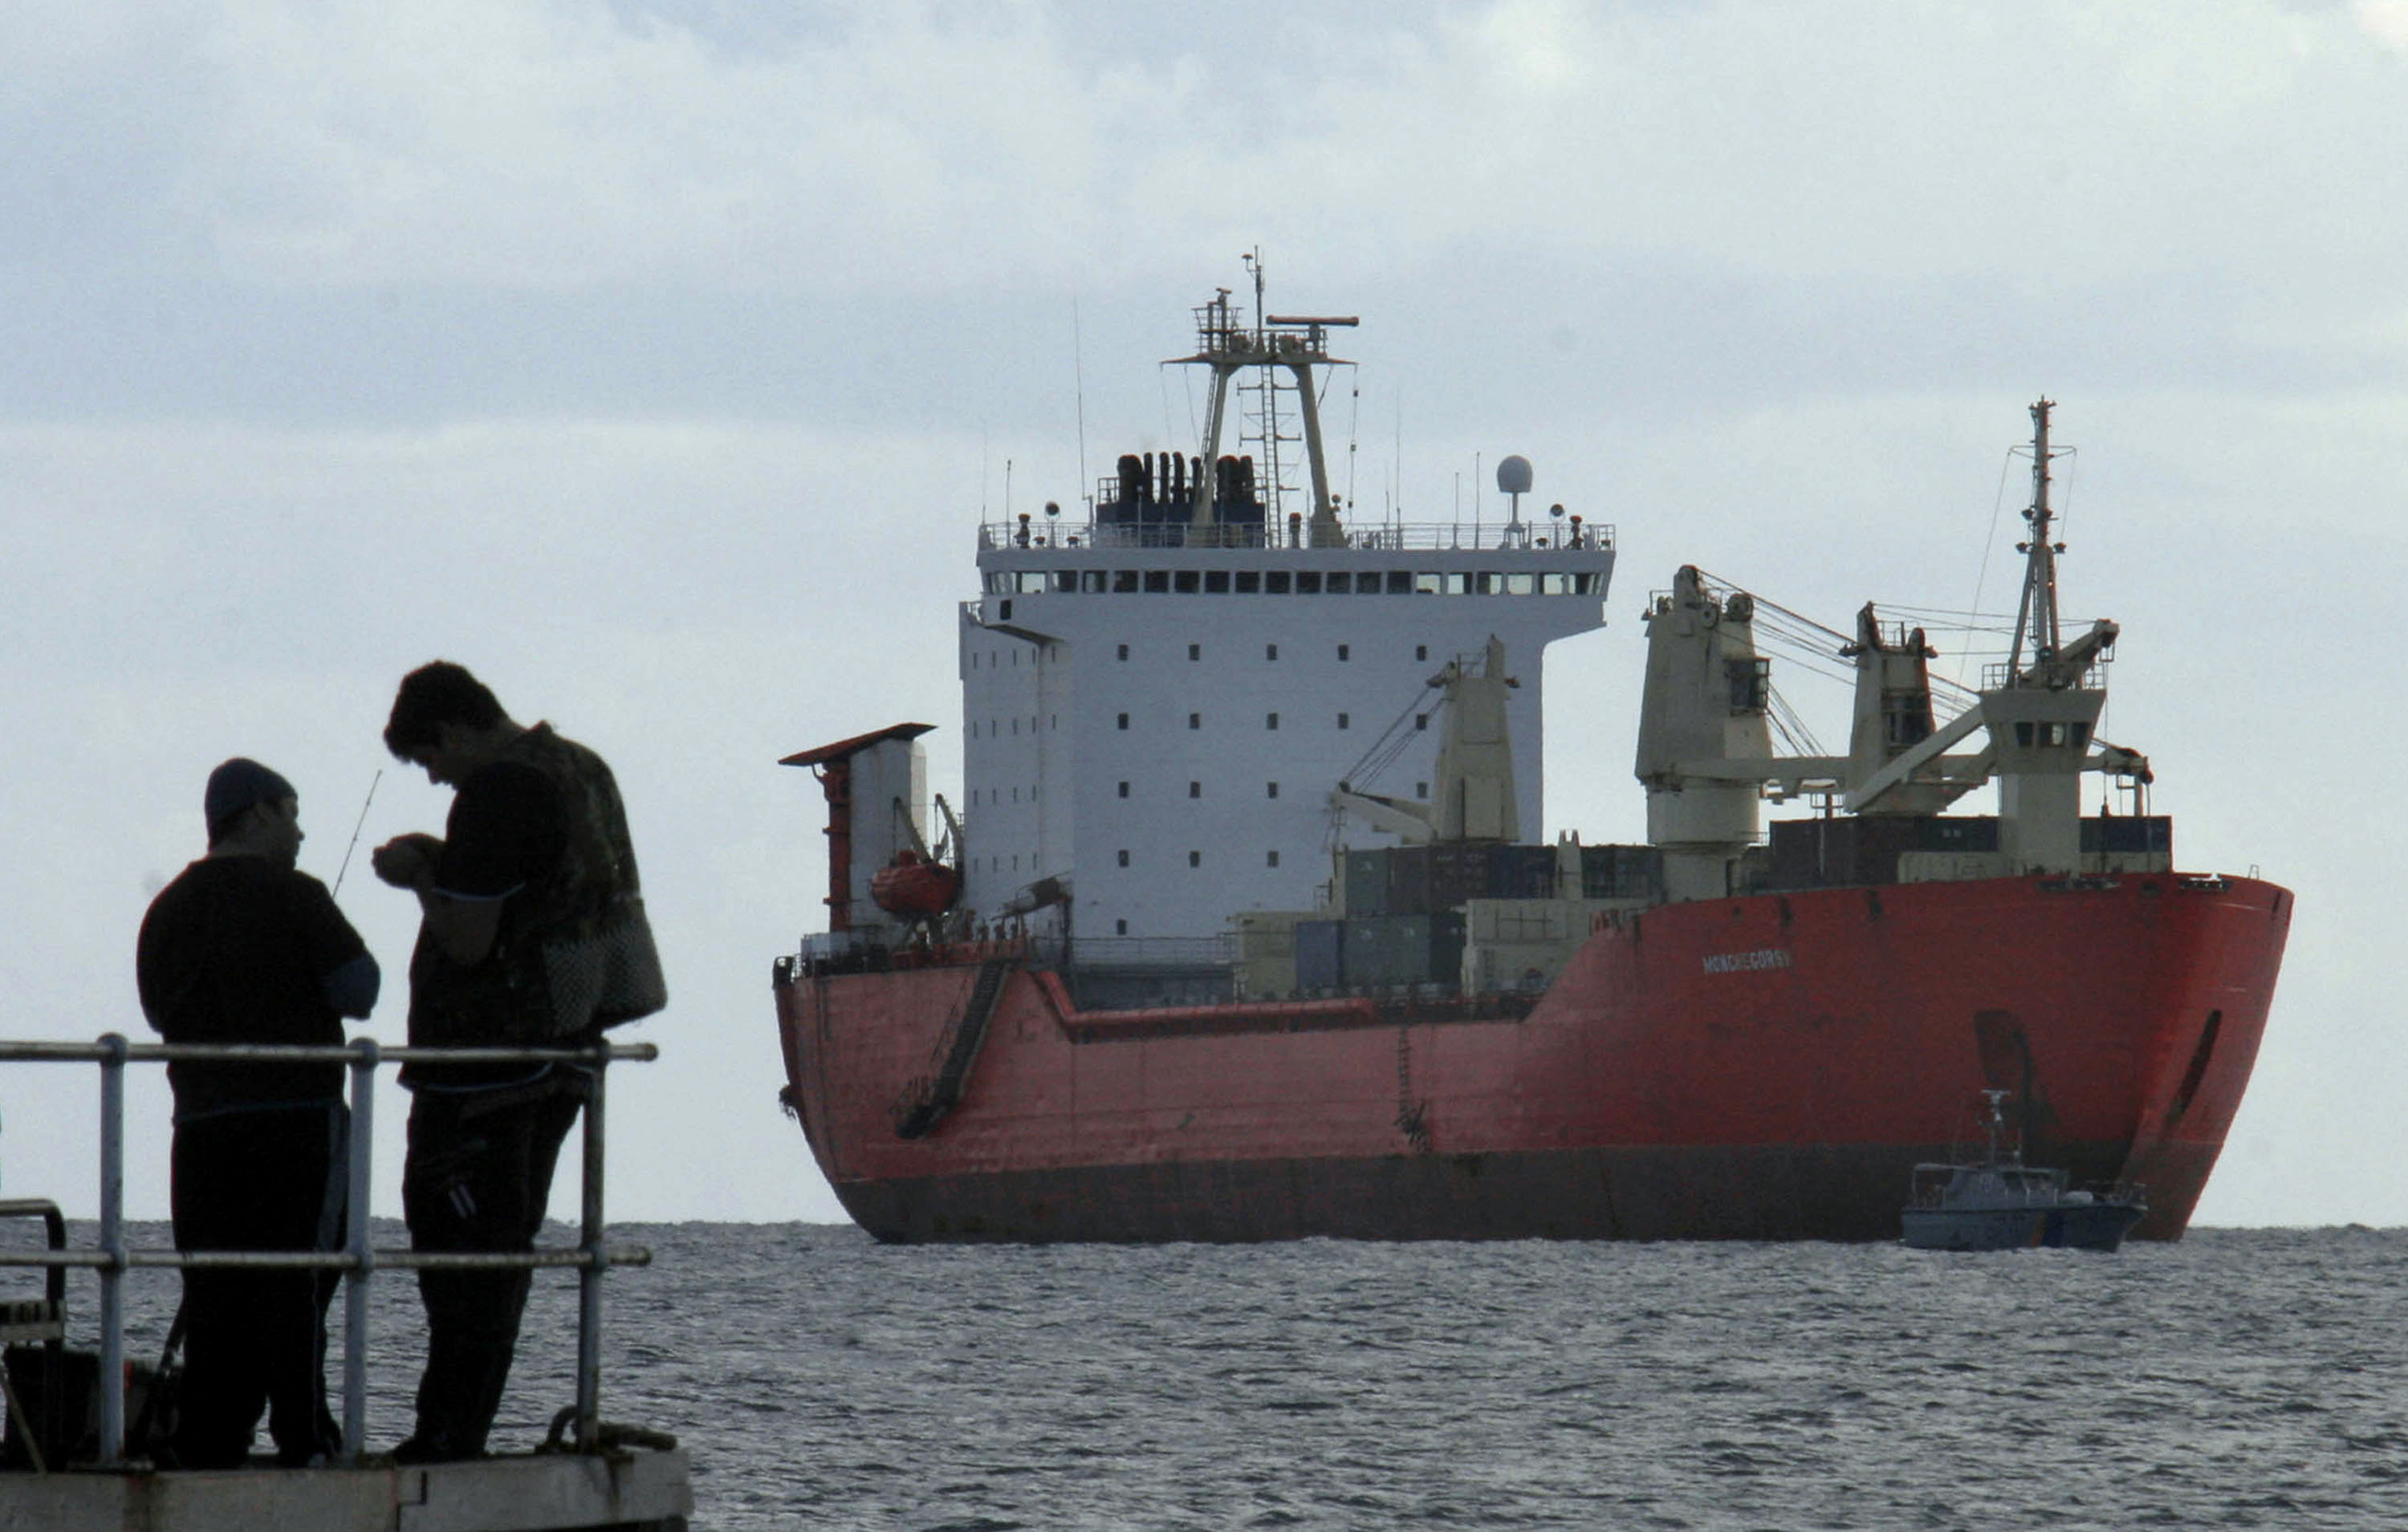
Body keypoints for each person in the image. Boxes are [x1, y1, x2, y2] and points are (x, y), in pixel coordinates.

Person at [370, 661, 649, 1462]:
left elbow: (470, 939)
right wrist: (447, 860)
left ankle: (445, 1436)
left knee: (455, 1248)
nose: (435, 778)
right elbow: (547, 890)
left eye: (432, 760)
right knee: (505, 1253)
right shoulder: (581, 769)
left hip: (484, 1067)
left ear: (454, 732)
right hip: (564, 1053)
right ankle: (460, 1430)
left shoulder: (494, 792)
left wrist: (423, 874)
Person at [135, 758, 379, 1469]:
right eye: (292, 813)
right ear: (259, 813)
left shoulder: (168, 909)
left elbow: (157, 1008)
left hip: (200, 1124)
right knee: (297, 1279)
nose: (301, 831)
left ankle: (211, 1435)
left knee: (214, 1283)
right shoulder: (298, 895)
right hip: (297, 1119)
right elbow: (359, 988)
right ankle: (305, 1436)